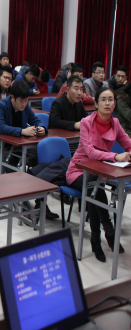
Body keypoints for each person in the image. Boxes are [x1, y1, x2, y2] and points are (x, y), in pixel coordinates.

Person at [66, 87, 131, 262]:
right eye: (103, 99)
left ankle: (97, 239)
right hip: (78, 170)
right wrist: (115, 156)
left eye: (111, 99)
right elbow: (90, 152)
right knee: (94, 187)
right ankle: (108, 230)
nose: (107, 103)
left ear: (115, 104)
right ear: (95, 104)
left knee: (94, 188)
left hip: (98, 172)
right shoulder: (86, 122)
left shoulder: (115, 123)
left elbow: (128, 143)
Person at [0, 80, 59, 219]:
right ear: (13, 98)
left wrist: (41, 128)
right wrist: (22, 131)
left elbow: (35, 120)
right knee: (11, 168)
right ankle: (24, 206)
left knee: (39, 162)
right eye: (21, 101)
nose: (24, 104)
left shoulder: (25, 106)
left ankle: (41, 203)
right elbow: (1, 127)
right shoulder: (1, 106)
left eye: (26, 101)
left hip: (18, 146)